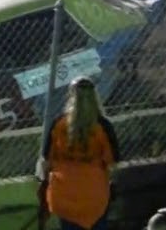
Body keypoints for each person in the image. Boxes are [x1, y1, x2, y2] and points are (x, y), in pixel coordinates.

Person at [37, 76, 119, 230]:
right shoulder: (103, 126)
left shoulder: (58, 124)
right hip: (94, 196)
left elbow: (46, 161)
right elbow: (112, 163)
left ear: (71, 96)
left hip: (64, 195)